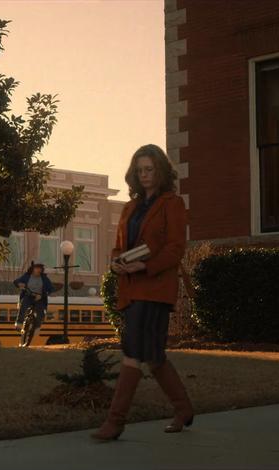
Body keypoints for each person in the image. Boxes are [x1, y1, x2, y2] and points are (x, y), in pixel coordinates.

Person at [91, 144, 194, 440]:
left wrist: (144, 267)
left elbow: (176, 249)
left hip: (155, 287)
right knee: (153, 354)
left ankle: (115, 422)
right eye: (140, 170)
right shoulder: (129, 207)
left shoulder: (173, 204)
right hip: (130, 287)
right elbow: (119, 246)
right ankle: (183, 408)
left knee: (132, 351)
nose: (145, 175)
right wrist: (116, 263)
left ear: (161, 170)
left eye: (149, 169)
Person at [12, 261, 54, 347]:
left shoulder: (44, 278)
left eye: (40, 268)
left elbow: (51, 288)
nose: (39, 270)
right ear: (32, 269)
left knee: (40, 313)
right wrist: (19, 284)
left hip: (39, 297)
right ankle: (19, 323)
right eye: (37, 268)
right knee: (23, 306)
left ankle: (37, 327)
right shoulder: (27, 276)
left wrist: (44, 294)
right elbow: (16, 281)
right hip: (29, 295)